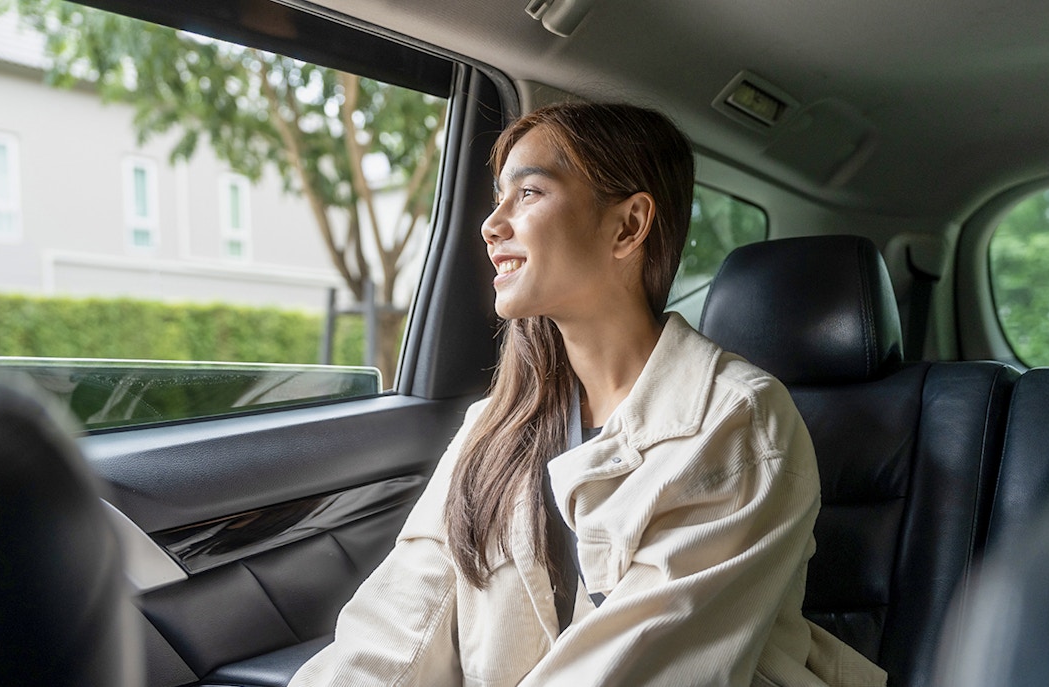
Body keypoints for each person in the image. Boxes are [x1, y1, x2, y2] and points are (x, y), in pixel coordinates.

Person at [289, 102, 886, 686]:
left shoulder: (738, 423)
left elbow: (636, 667)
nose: (491, 225)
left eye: (528, 193)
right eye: (499, 197)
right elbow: (397, 628)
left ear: (628, 225)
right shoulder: (492, 426)